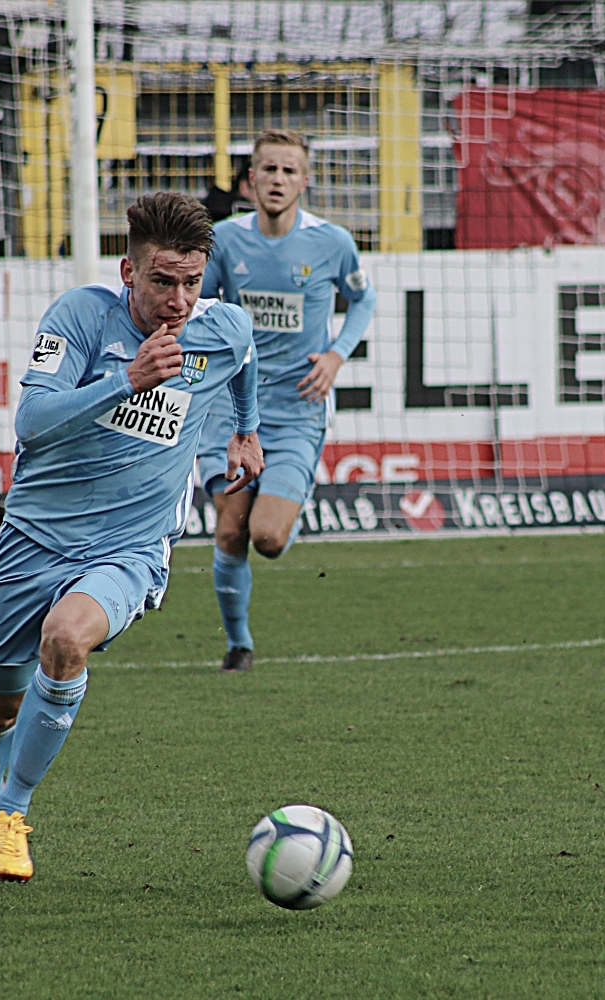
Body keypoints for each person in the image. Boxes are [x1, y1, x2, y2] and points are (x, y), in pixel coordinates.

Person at [0, 192, 264, 892]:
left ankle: (13, 814)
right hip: (34, 537)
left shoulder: (220, 329)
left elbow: (245, 355)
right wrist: (125, 380)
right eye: (162, 282)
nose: (178, 300)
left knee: (66, 639)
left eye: (192, 282)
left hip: (130, 547)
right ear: (129, 273)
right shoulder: (80, 317)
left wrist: (246, 428)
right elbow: (33, 421)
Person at [196, 129, 377, 672]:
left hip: (297, 409)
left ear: (304, 180)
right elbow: (200, 306)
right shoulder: (225, 240)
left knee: (268, 538)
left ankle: (289, 489)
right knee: (230, 529)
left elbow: (363, 300)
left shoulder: (331, 242)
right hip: (231, 409)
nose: (276, 180)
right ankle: (239, 646)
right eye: (267, 170)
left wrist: (337, 354)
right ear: (250, 180)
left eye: (287, 171)